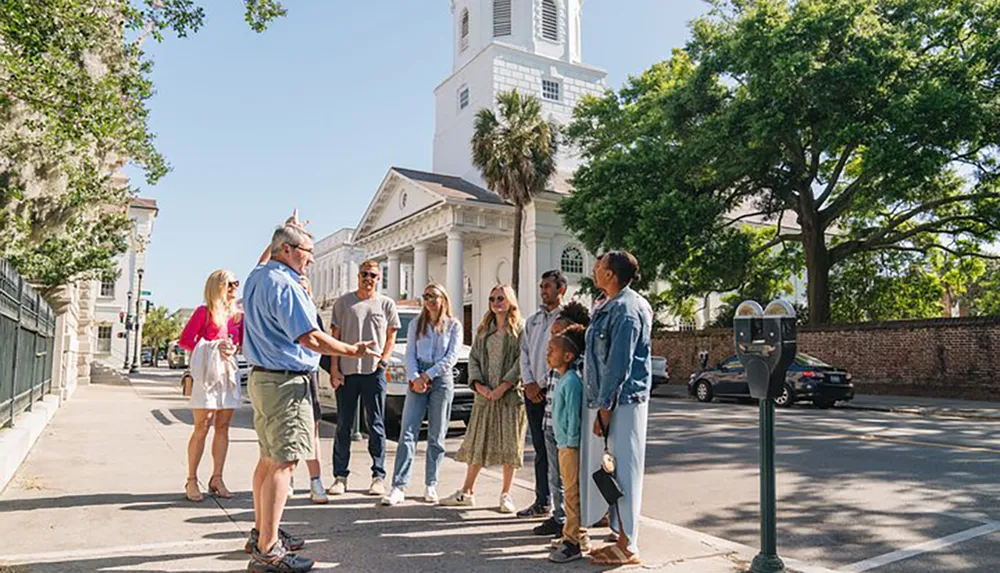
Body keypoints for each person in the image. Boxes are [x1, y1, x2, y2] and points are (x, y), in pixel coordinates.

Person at [242, 217, 373, 573]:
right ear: (286, 250)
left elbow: (262, 260)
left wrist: (284, 230)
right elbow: (310, 337)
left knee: (269, 460)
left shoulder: (258, 276)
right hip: (285, 384)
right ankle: (269, 552)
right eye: (307, 252)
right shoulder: (283, 284)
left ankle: (261, 534)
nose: (311, 260)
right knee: (283, 464)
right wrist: (351, 349)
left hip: (264, 380)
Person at [580, 251, 653, 567]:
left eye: (599, 266)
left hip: (623, 401)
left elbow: (618, 364)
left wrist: (605, 409)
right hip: (611, 400)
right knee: (615, 470)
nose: (594, 270)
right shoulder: (609, 304)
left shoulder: (626, 309)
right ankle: (621, 538)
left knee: (625, 471)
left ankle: (628, 545)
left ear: (611, 274)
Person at [439, 284, 526, 513]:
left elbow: (521, 361)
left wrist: (505, 385)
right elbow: (474, 359)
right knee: (478, 443)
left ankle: (506, 495)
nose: (496, 302)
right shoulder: (483, 330)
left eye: (500, 298)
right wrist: (480, 386)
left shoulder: (519, 330)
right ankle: (467, 492)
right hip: (484, 396)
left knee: (511, 445)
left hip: (510, 397)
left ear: (510, 301)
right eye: (492, 299)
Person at [381, 283, 462, 506]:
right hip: (417, 378)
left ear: (443, 299)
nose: (428, 300)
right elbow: (409, 353)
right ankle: (398, 485)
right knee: (408, 432)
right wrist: (415, 377)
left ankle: (431, 483)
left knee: (437, 435)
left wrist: (428, 375)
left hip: (441, 378)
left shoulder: (453, 325)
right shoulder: (417, 324)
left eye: (432, 296)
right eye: (425, 296)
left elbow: (452, 357)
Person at [327, 260, 400, 497]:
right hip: (347, 371)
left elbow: (391, 337)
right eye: (364, 274)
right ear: (358, 276)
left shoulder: (386, 304)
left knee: (376, 424)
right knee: (344, 425)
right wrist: (334, 369)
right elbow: (335, 338)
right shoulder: (344, 303)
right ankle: (340, 476)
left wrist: (384, 360)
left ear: (378, 279)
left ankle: (378, 476)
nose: (368, 278)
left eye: (373, 275)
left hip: (373, 371)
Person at [178, 269, 242, 502]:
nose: (235, 288)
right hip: (206, 376)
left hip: (227, 375)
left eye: (236, 283)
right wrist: (212, 347)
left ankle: (217, 477)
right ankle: (192, 479)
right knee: (202, 426)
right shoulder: (203, 312)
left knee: (223, 426)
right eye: (230, 284)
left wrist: (233, 348)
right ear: (218, 286)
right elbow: (185, 341)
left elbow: (241, 343)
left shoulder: (237, 317)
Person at [516, 270, 567, 521]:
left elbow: (565, 355)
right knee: (539, 449)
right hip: (532, 392)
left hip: (554, 392)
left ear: (561, 290)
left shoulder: (567, 320)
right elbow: (524, 353)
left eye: (548, 286)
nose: (543, 290)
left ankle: (564, 509)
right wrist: (528, 383)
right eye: (541, 286)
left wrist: (543, 384)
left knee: (560, 451)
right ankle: (542, 500)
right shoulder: (532, 321)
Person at [540, 302, 590, 544]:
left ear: (568, 355)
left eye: (552, 348)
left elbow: (573, 418)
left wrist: (569, 444)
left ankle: (574, 536)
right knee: (566, 488)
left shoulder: (570, 381)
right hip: (561, 443)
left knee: (571, 492)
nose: (548, 353)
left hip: (568, 446)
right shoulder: (559, 378)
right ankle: (573, 533)